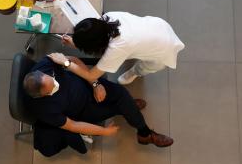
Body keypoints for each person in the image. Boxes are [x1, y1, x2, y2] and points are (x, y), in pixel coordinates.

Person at [23, 56, 173, 156]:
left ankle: (140, 128)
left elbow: (74, 60)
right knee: (120, 104)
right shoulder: (43, 110)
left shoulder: (45, 65)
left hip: (87, 84)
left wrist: (94, 83)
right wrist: (104, 131)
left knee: (121, 94)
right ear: (42, 95)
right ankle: (144, 132)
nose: (56, 83)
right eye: (52, 88)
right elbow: (73, 125)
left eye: (53, 79)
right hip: (85, 110)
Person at [59, 12, 185, 85]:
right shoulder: (108, 17)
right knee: (132, 49)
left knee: (144, 67)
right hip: (157, 26)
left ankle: (134, 73)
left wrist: (66, 62)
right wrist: (76, 42)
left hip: (163, 50)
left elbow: (91, 76)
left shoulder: (117, 48)